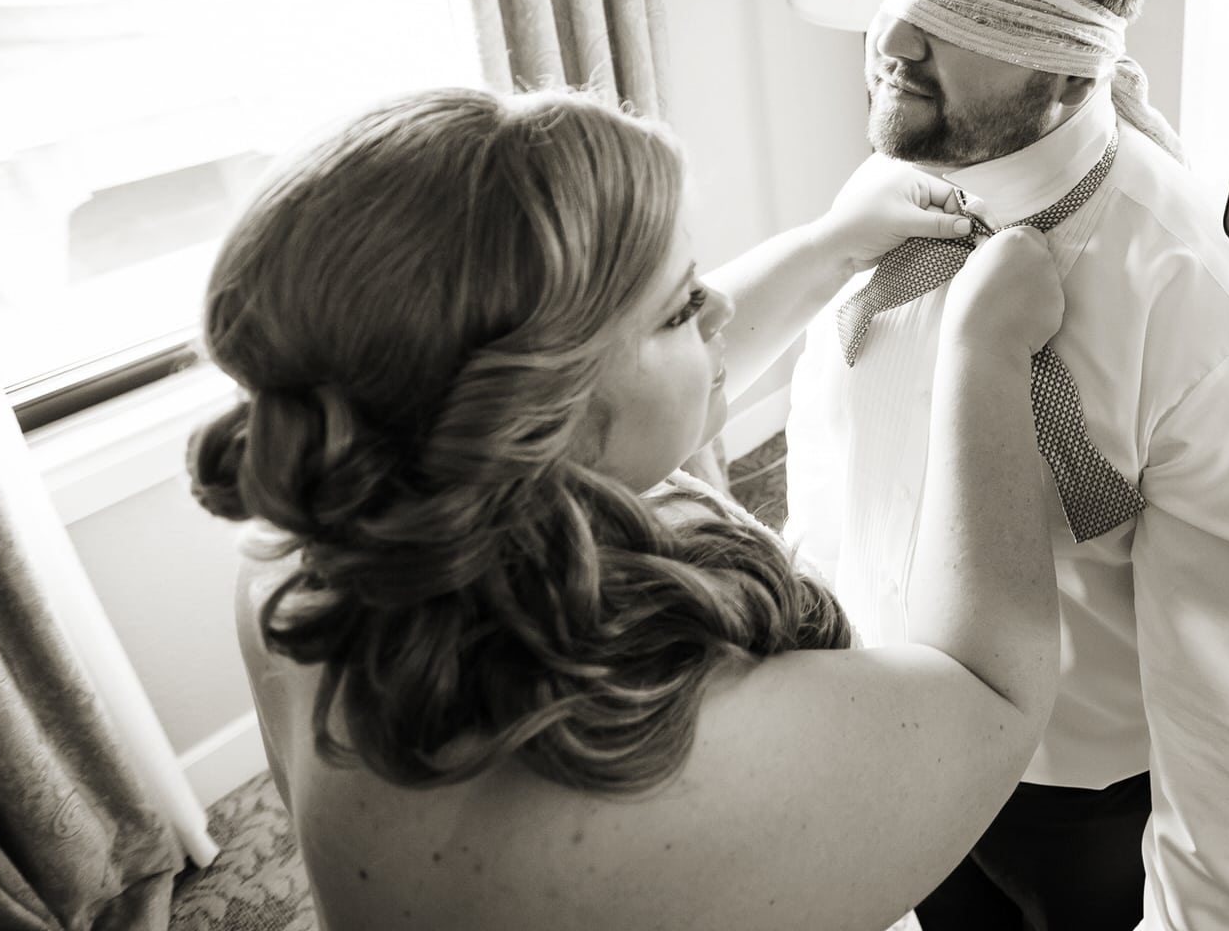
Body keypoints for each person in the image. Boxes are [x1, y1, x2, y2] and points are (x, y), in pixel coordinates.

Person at [188, 86, 1069, 931]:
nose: (721, 305)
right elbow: (990, 695)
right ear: (532, 416)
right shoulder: (673, 752)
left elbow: (634, 399)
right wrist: (984, 351)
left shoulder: (302, 550)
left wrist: (831, 245)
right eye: (683, 307)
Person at [787, 0, 1229, 931]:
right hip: (891, 742)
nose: (894, 39)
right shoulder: (890, 193)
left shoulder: (1212, 322)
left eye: (965, 12)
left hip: (1080, 812)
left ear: (1073, 66)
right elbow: (830, 453)